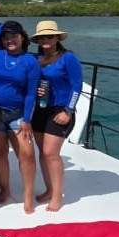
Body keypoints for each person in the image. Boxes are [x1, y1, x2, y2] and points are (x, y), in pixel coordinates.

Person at [0, 21, 39, 211]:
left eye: (14, 36)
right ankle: (5, 188)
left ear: (23, 37)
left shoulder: (31, 61)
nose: (10, 40)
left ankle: (28, 195)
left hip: (18, 114)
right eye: (6, 37)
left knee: (27, 155)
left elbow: (31, 93)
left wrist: (27, 119)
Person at [31, 20, 83, 212]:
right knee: (42, 154)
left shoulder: (68, 58)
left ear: (56, 38)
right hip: (40, 110)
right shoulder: (36, 59)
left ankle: (57, 195)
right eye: (42, 37)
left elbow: (77, 86)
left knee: (50, 153)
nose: (46, 39)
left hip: (60, 110)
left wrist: (68, 110)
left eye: (49, 36)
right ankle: (49, 189)